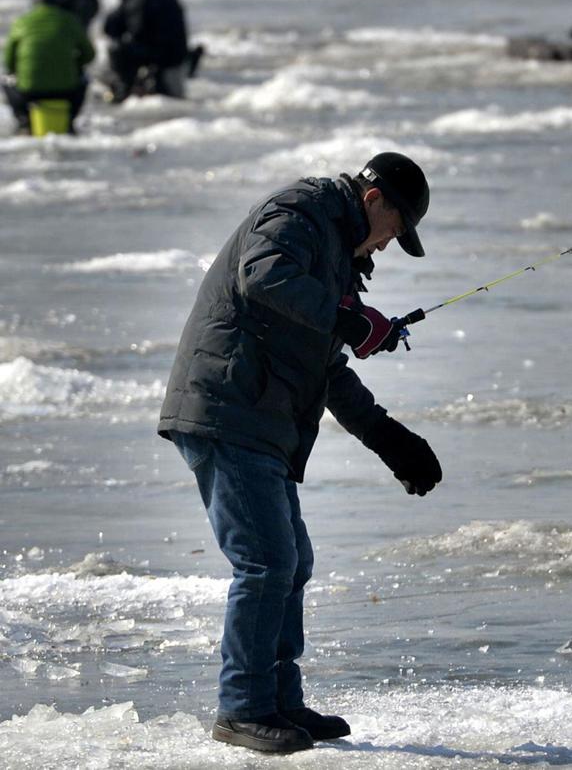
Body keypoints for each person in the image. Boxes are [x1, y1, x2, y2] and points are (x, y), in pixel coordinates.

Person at [158, 152, 444, 754]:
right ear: (374, 201)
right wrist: (349, 315)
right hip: (227, 408)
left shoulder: (335, 252)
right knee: (265, 563)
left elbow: (324, 364)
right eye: (395, 231)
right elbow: (263, 276)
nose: (389, 246)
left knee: (291, 561)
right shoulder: (300, 211)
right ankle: (242, 708)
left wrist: (389, 438)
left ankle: (280, 702)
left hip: (262, 419)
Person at [4, 0, 95, 134]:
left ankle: (24, 120)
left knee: (5, 80)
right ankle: (70, 120)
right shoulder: (69, 20)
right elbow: (89, 55)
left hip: (29, 91)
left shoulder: (22, 22)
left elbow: (8, 62)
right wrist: (75, 65)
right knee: (85, 78)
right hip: (66, 91)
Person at [102, 0, 197, 101]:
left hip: (162, 53)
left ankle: (123, 89)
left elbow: (128, 28)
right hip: (176, 51)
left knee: (118, 50)